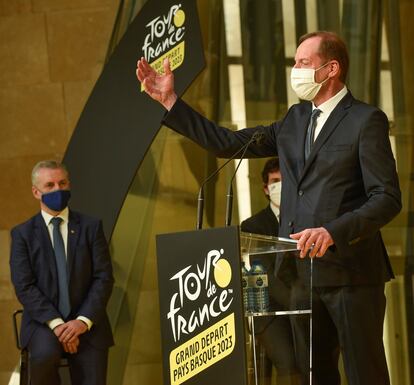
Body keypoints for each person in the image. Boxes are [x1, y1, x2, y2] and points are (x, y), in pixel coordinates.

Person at [136, 30, 401, 385]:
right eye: (295, 62)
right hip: (299, 277)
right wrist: (171, 102)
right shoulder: (293, 120)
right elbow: (226, 143)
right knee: (315, 377)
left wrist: (332, 232)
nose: (296, 69)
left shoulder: (365, 121)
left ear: (332, 68)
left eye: (304, 63)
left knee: (364, 374)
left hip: (351, 274)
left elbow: (386, 198)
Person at [10, 160, 114, 385]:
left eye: (62, 183)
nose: (58, 189)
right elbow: (24, 286)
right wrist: (58, 325)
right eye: (50, 185)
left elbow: (103, 278)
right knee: (45, 355)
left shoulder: (91, 227)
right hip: (43, 323)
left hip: (87, 321)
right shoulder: (23, 235)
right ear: (36, 192)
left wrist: (81, 322)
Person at [241, 158, 299, 385]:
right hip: (270, 311)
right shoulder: (252, 226)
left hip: (305, 306)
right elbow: (263, 272)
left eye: (285, 180)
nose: (280, 187)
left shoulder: (306, 220)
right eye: (275, 181)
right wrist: (294, 302)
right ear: (266, 189)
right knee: (289, 363)